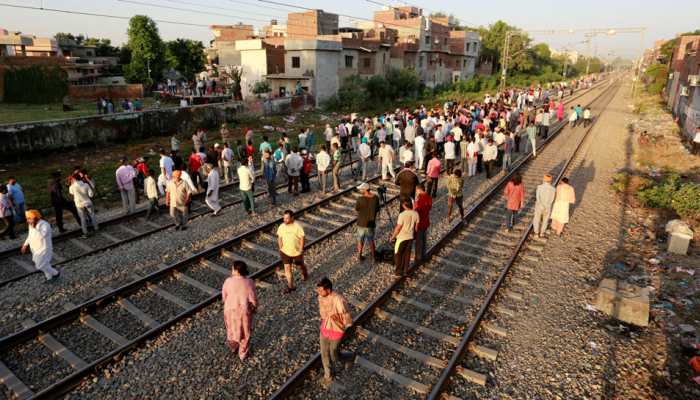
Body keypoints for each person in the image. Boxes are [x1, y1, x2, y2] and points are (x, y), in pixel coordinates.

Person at [316, 277, 353, 385]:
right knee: (324, 353)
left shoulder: (338, 299)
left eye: (321, 290)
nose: (319, 292)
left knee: (334, 354)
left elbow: (346, 315)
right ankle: (328, 376)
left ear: (328, 290)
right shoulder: (320, 297)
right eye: (318, 290)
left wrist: (345, 327)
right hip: (325, 328)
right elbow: (322, 311)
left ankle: (349, 357)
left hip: (336, 330)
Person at [222, 260, 257, 361]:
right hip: (243, 312)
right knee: (245, 332)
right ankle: (242, 353)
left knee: (231, 329)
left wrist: (227, 302)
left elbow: (224, 296)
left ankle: (233, 347)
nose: (231, 270)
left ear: (237, 270)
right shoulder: (249, 282)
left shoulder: (228, 281)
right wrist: (254, 307)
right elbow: (252, 298)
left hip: (230, 310)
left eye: (232, 268)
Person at [21, 210, 60, 281]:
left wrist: (34, 227)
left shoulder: (44, 224)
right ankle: (49, 278)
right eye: (27, 219)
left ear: (35, 218)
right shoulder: (31, 225)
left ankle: (56, 273)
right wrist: (25, 244)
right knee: (45, 264)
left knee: (40, 265)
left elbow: (43, 235)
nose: (27, 220)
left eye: (29, 218)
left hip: (44, 248)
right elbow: (30, 236)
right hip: (35, 249)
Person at [277, 210, 307, 294]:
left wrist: (301, 249)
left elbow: (302, 237)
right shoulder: (281, 226)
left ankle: (304, 273)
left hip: (296, 251)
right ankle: (290, 286)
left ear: (292, 218)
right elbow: (279, 237)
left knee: (300, 265)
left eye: (287, 218)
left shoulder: (297, 226)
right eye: (284, 218)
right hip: (285, 251)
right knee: (287, 268)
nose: (285, 220)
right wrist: (280, 248)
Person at [390, 200, 419, 276]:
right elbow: (416, 228)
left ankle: (398, 271)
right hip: (410, 237)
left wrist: (393, 236)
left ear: (404, 206)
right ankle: (406, 270)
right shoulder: (416, 214)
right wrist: (414, 236)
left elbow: (398, 228)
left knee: (397, 253)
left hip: (401, 238)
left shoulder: (402, 215)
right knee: (407, 254)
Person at [355, 182, 380, 261]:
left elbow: (357, 209)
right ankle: (373, 256)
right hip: (371, 223)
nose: (360, 190)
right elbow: (378, 209)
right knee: (371, 240)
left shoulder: (360, 199)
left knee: (360, 240)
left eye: (361, 189)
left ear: (365, 190)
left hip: (361, 223)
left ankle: (359, 255)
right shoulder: (376, 198)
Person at [69, 173, 98, 238]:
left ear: (74, 179)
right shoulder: (86, 185)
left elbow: (71, 193)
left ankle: (85, 232)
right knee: (92, 215)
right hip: (88, 202)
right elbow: (91, 195)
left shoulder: (72, 187)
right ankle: (96, 228)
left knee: (82, 218)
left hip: (79, 204)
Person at [413, 183, 432, 262]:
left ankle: (418, 257)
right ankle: (424, 255)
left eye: (416, 190)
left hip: (419, 223)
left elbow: (416, 211)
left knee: (418, 241)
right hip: (426, 221)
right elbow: (429, 207)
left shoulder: (419, 199)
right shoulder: (429, 197)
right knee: (424, 239)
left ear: (418, 189)